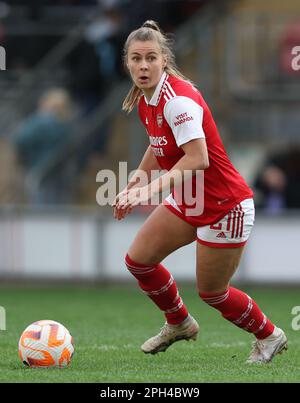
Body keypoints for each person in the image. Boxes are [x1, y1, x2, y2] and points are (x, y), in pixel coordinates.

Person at [113, 20, 288, 364]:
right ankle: (179, 323)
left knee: (212, 292)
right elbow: (159, 142)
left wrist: (148, 191)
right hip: (190, 198)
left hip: (225, 205)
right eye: (136, 59)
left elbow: (197, 158)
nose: (143, 65)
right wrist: (138, 176)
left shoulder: (176, 100)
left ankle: (270, 335)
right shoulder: (147, 97)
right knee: (139, 261)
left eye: (150, 58)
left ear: (164, 59)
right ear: (127, 62)